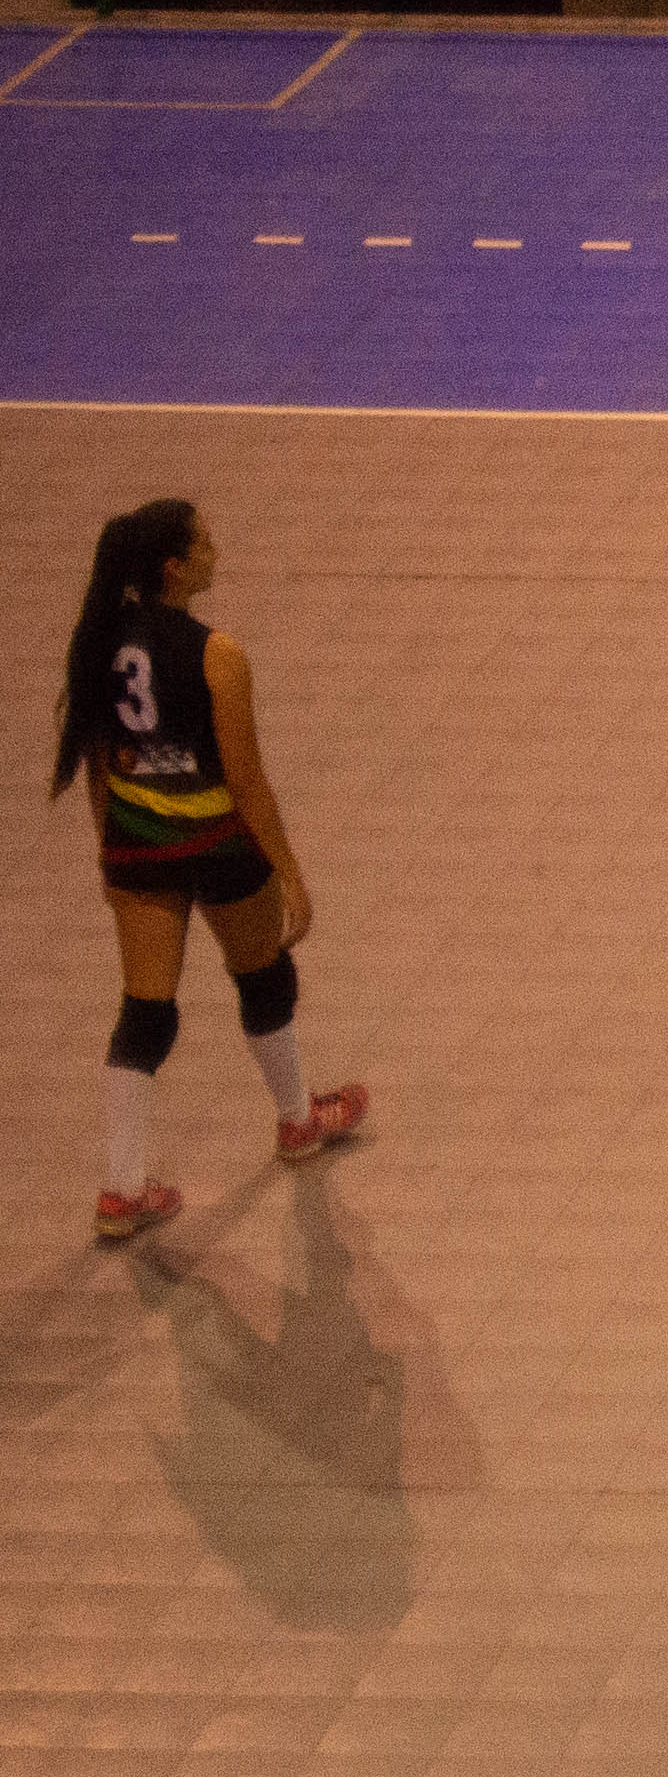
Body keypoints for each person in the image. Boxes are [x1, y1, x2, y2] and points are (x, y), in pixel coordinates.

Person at [59, 501, 366, 1248]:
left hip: (140, 844)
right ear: (175, 568)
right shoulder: (216, 654)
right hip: (218, 841)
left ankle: (123, 1191)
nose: (214, 549)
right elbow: (247, 780)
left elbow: (99, 763)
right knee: (264, 978)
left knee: (146, 1011)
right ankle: (298, 1121)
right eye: (203, 542)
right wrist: (290, 872)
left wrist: (111, 853)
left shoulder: (102, 641)